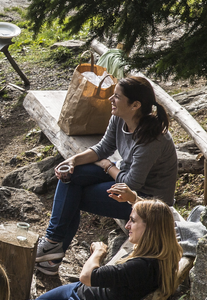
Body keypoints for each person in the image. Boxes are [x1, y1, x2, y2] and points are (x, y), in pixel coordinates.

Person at [35, 75, 178, 275]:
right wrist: (73, 161)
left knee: (75, 196)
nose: (111, 100)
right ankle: (52, 246)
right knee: (73, 175)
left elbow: (132, 184)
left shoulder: (153, 139)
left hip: (145, 199)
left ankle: (52, 251)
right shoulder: (119, 118)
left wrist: (108, 166)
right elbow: (103, 147)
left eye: (117, 97)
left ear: (135, 105)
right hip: (124, 178)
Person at [12, 199, 182, 300]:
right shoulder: (157, 255)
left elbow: (87, 276)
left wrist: (98, 253)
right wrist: (133, 197)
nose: (128, 225)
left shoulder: (141, 267)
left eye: (133, 220)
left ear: (150, 227)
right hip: (79, 292)